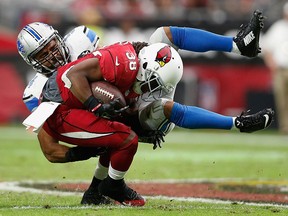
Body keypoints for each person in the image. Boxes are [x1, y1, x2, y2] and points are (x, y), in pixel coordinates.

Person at [18, 10, 273, 206]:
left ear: (58, 38)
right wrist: (89, 135)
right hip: (111, 115)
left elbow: (113, 63)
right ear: (32, 63)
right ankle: (236, 123)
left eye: (52, 47)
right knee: (161, 109)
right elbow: (51, 148)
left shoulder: (81, 40)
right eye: (43, 56)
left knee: (162, 38)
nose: (52, 57)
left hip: (128, 93)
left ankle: (237, 45)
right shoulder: (39, 89)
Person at [262, 2, 288, 134]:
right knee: (282, 100)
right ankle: (285, 128)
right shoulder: (278, 28)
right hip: (280, 69)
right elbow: (267, 48)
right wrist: (271, 64)